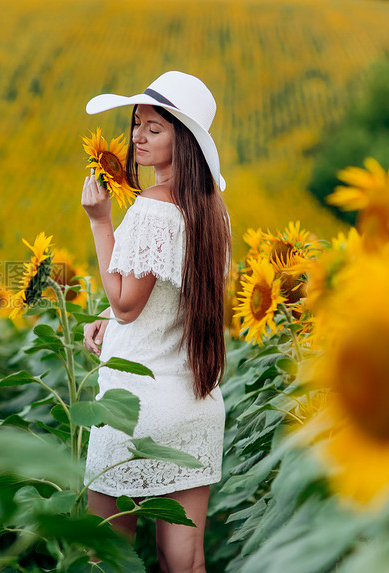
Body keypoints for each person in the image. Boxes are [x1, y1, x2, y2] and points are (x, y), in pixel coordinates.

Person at [80, 71, 231, 573]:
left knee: (105, 554)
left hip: (136, 406)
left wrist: (101, 221)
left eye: (155, 128)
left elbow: (126, 302)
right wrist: (109, 318)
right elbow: (173, 294)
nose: (138, 138)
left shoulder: (152, 208)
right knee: (185, 562)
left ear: (182, 140)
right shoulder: (213, 211)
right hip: (196, 403)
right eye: (137, 125)